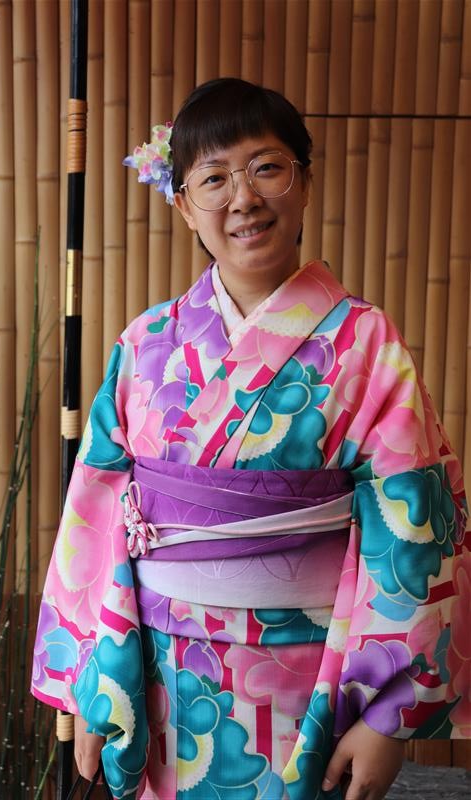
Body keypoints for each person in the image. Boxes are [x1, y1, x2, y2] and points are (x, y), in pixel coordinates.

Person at [32, 78, 470, 800]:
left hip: (311, 679)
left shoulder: (364, 342)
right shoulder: (145, 343)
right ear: (183, 205)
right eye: (213, 179)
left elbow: (414, 524)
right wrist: (92, 681)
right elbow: (96, 513)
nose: (243, 198)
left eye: (266, 168)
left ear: (304, 182)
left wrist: (388, 716)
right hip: (163, 679)